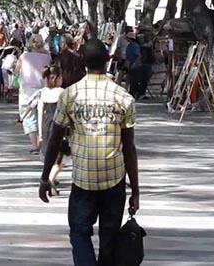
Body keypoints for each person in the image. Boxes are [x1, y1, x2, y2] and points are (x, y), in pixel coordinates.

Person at [39, 38, 139, 265]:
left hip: (83, 180)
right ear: (107, 62)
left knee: (79, 232)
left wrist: (45, 177)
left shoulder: (69, 95)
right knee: (109, 238)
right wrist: (135, 189)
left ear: (83, 63)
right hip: (113, 180)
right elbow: (129, 147)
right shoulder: (124, 97)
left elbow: (55, 139)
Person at [20, 65, 66, 192]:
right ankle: (50, 180)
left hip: (46, 126)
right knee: (61, 159)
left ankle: (51, 179)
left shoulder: (42, 92)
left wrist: (40, 133)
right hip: (58, 126)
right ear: (57, 78)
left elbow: (39, 112)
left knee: (50, 156)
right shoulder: (62, 92)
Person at [15, 34, 52, 155]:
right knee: (43, 117)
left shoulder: (24, 56)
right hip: (44, 90)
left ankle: (35, 145)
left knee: (29, 119)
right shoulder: (48, 57)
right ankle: (42, 143)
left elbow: (16, 71)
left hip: (26, 91)